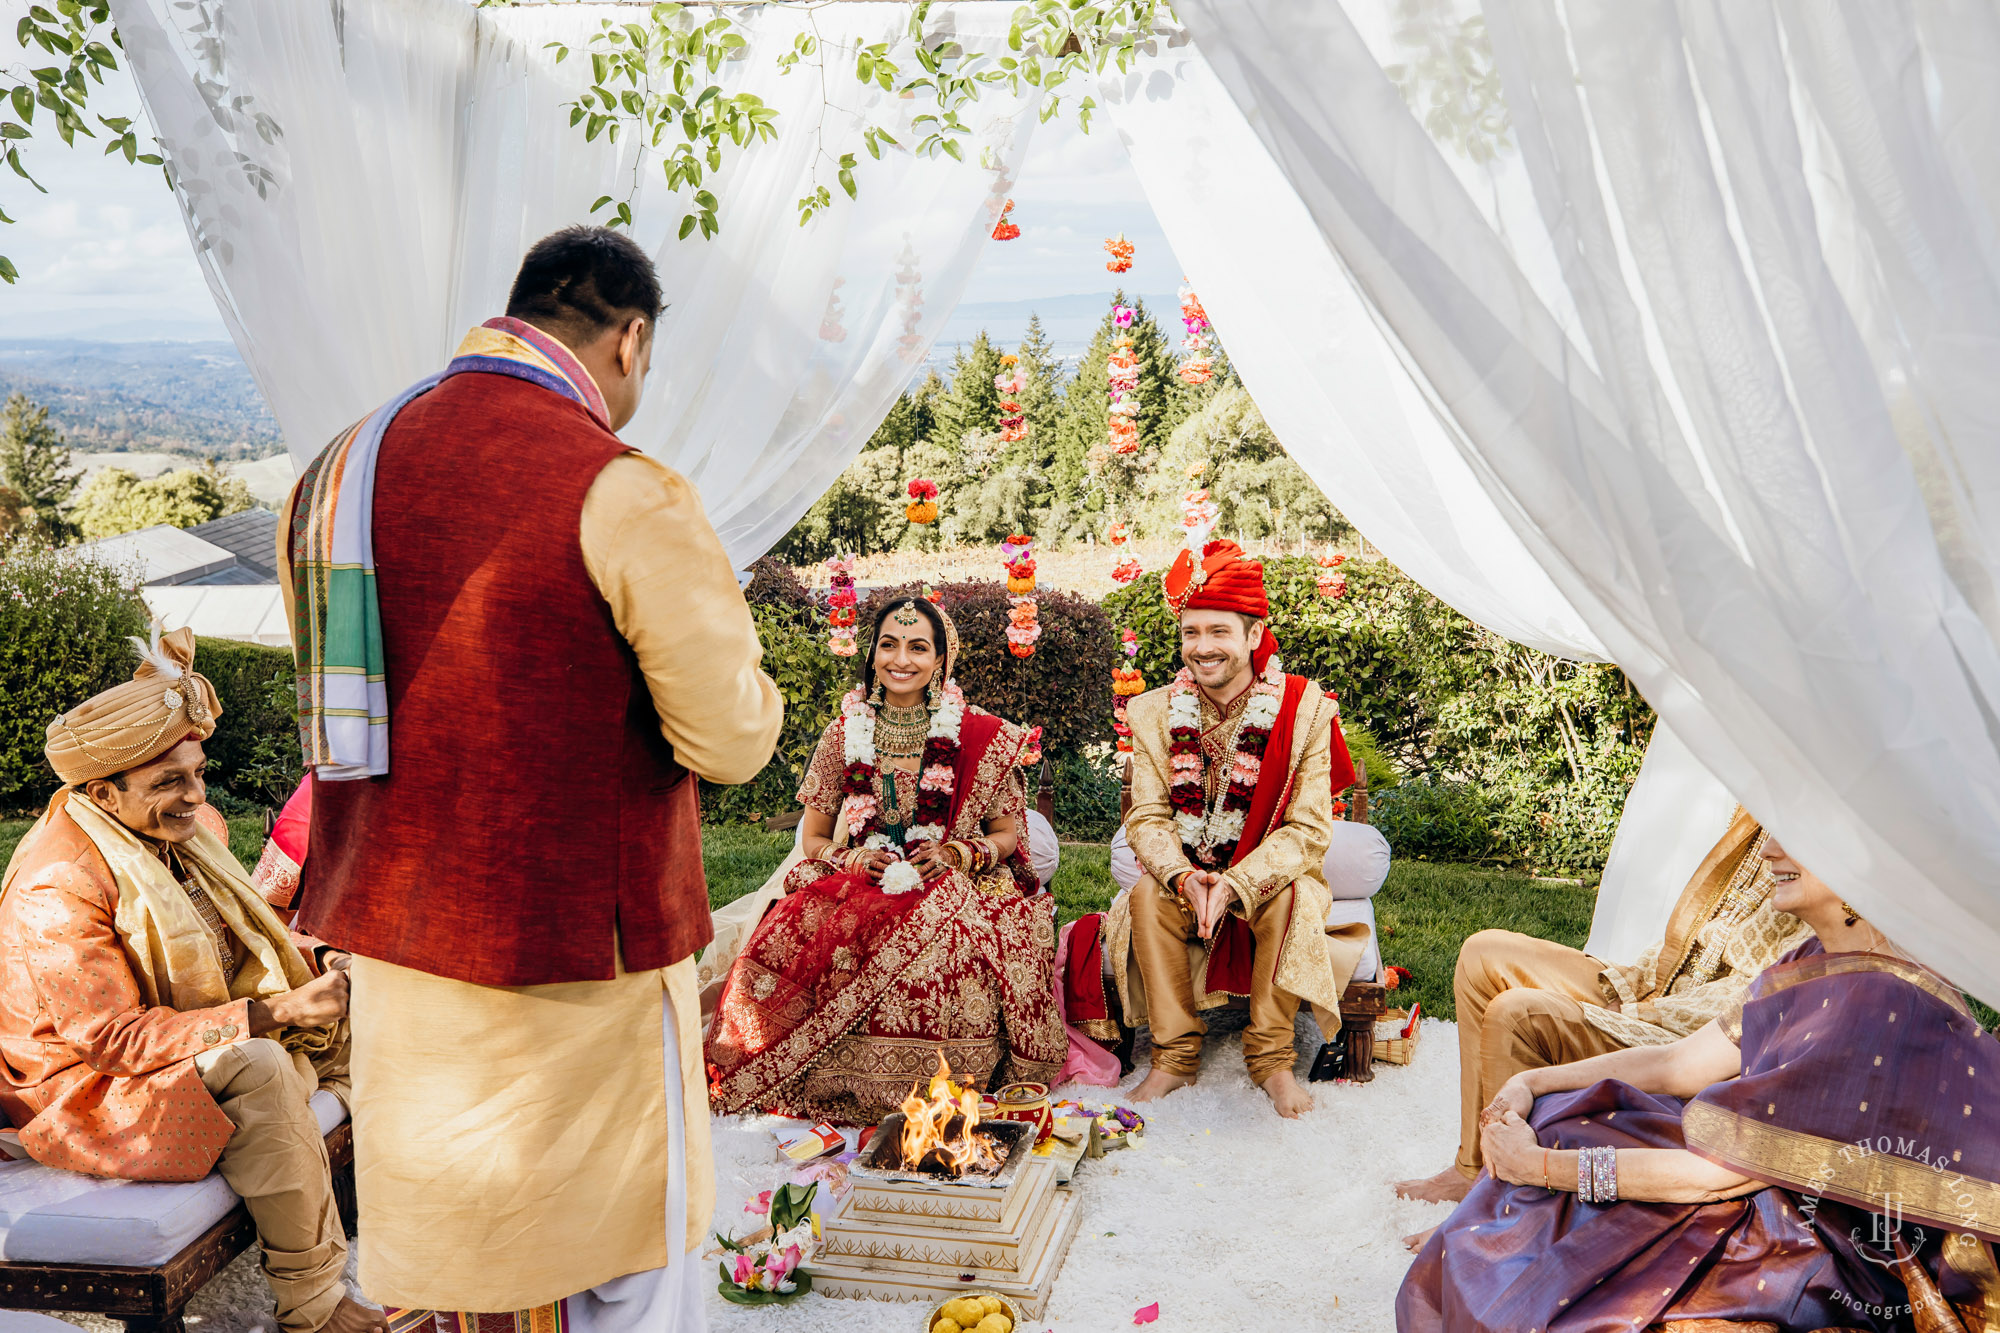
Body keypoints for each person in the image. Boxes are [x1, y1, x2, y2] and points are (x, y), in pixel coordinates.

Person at [279, 226, 782, 1331]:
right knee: (628, 1255)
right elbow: (730, 738)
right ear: (630, 339)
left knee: (466, 1249)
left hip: (401, 935)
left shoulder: (336, 470)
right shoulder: (620, 487)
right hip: (575, 953)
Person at [1398, 835, 2000, 1332]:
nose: (1769, 850)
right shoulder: (1812, 956)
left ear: (1866, 866)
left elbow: (1722, 1177)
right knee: (1569, 1114)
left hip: (1820, 1238)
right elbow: (1678, 1064)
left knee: (1566, 1275)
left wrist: (1539, 1169)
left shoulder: (1884, 1001)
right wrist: (1534, 1081)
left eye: (1798, 836)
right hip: (1755, 1174)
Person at [0, 628, 374, 1333]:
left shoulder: (178, 831)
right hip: (75, 1095)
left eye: (198, 771)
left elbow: (231, 944)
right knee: (260, 1063)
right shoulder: (59, 880)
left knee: (352, 1012)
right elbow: (109, 1040)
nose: (197, 797)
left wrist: (315, 970)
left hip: (146, 1058)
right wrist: (278, 1009)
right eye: (169, 781)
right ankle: (315, 1304)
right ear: (104, 793)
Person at [704, 596, 1065, 1125]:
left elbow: (1008, 835)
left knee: (951, 949)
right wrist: (849, 860)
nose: (902, 659)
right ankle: (828, 1081)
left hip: (953, 881)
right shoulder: (840, 733)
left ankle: (938, 1088)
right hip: (860, 878)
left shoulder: (980, 736)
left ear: (941, 660)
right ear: (871, 655)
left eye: (919, 647)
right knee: (802, 930)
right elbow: (814, 839)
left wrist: (958, 853)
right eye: (889, 645)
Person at [1396, 808, 1809, 1205]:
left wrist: (1645, 1011)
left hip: (1692, 1028)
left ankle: (1497, 1202)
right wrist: (1635, 984)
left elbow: (1748, 1001)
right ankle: (1472, 1168)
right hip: (1663, 989)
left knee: (1516, 1013)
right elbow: (1693, 939)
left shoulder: (1835, 924)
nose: (1771, 848)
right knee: (1483, 952)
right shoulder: (1761, 819)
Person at [1112, 538, 1365, 1119]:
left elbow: (1307, 830)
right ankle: (1174, 1059)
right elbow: (1147, 817)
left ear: (1253, 635)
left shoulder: (1305, 712)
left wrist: (1235, 883)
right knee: (1148, 893)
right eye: (1191, 632)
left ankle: (1272, 1061)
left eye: (1218, 632)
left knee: (1295, 893)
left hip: (1265, 880)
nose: (1202, 648)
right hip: (1186, 878)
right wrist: (1182, 875)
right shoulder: (1152, 711)